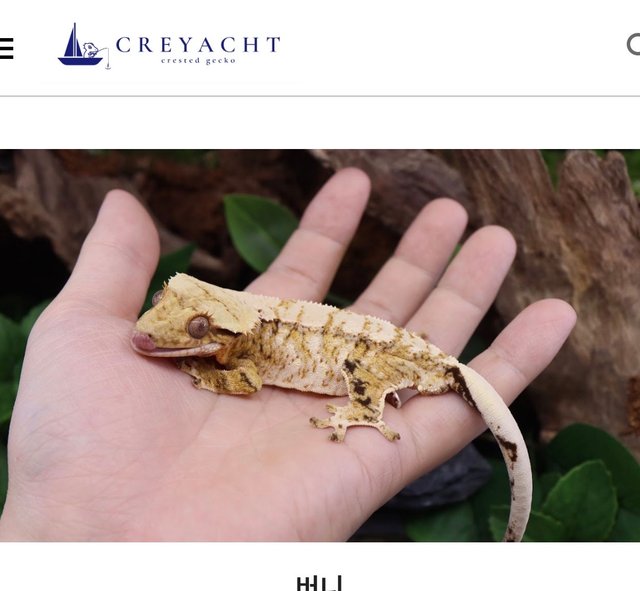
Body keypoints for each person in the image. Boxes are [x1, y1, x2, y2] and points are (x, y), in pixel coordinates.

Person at [0, 168, 575, 541]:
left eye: (196, 328)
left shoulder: (241, 347)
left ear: (223, 331)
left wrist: (208, 373)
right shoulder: (233, 324)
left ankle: (369, 409)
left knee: (362, 365)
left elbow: (246, 382)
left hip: (391, 360)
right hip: (384, 349)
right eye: (163, 303)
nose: (157, 333)